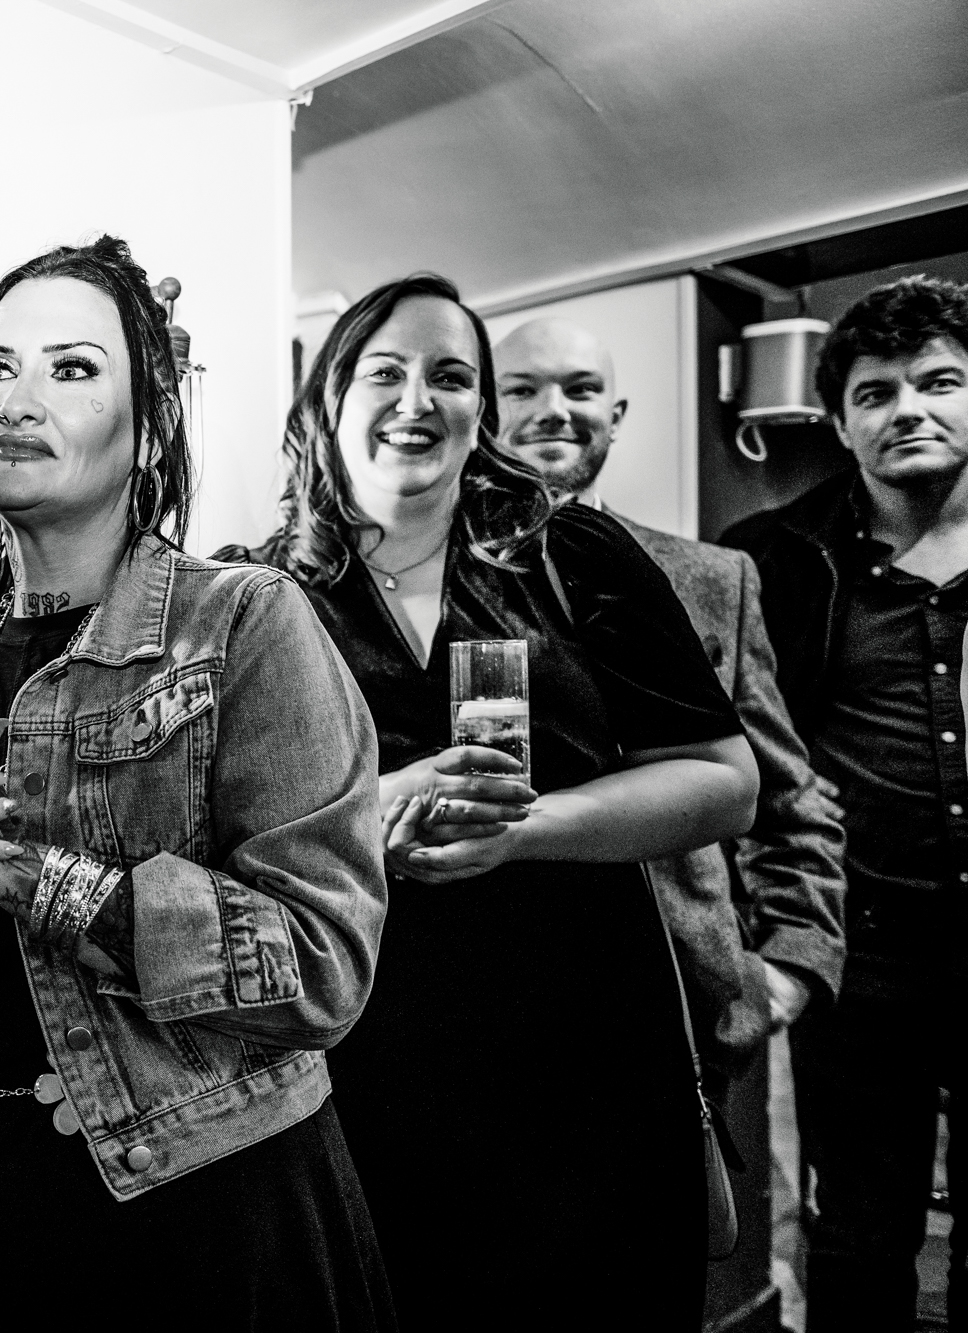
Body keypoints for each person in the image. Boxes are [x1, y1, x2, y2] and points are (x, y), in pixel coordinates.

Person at [0, 236, 396, 1331]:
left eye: (70, 368)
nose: (18, 398)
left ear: (147, 425)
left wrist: (47, 880)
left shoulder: (244, 624)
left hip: (196, 1215)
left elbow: (323, 963)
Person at [217, 273, 758, 1330]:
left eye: (450, 376)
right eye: (384, 371)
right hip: (356, 1059)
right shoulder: (253, 597)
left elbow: (722, 779)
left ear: (480, 415)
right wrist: (376, 805)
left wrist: (526, 828)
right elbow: (211, 836)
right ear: (326, 403)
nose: (417, 398)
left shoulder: (569, 555)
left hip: (582, 1051)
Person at [493, 316, 847, 1089]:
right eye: (524, 387)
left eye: (581, 388)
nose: (554, 407)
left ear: (615, 416)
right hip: (494, 1000)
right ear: (490, 409)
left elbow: (788, 795)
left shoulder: (715, 578)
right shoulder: (438, 588)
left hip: (685, 1008)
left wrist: (792, 964)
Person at [724, 274, 968, 1331]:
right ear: (837, 421)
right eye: (874, 393)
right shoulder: (776, 557)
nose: (906, 408)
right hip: (859, 951)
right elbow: (745, 754)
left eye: (938, 380)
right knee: (861, 1227)